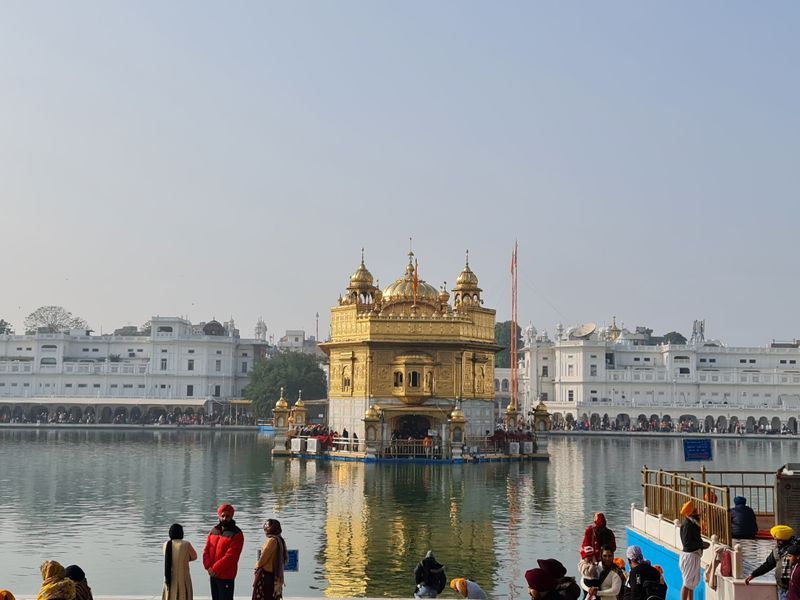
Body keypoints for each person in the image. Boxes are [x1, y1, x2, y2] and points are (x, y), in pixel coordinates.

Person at [203, 503, 245, 600]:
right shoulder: (213, 531)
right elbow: (206, 551)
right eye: (223, 516)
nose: (225, 518)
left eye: (227, 516)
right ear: (219, 516)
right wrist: (208, 567)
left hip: (226, 576)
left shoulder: (236, 534)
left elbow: (231, 557)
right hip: (213, 575)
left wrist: (214, 569)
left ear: (232, 516)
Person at [746, 525, 800, 600]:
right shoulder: (777, 550)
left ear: (786, 539)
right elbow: (768, 564)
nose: (777, 542)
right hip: (782, 588)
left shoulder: (796, 549)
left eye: (780, 540)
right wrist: (753, 574)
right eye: (776, 540)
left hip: (793, 589)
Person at [679, 501, 709, 600]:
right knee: (687, 583)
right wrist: (702, 544)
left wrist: (701, 545)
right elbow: (687, 544)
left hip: (693, 556)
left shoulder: (692, 523)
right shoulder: (687, 524)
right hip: (689, 557)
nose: (697, 512)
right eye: (695, 510)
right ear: (691, 512)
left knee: (691, 584)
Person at [253, 519, 289, 600]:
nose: (265, 527)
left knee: (263, 597)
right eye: (265, 525)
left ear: (274, 527)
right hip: (273, 575)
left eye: (267, 526)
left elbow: (263, 558)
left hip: (266, 575)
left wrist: (256, 566)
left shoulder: (272, 540)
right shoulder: (280, 539)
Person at [163, 523, 197, 600]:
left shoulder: (166, 544)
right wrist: (185, 559)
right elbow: (194, 556)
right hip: (183, 578)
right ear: (181, 533)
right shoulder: (186, 544)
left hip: (168, 578)